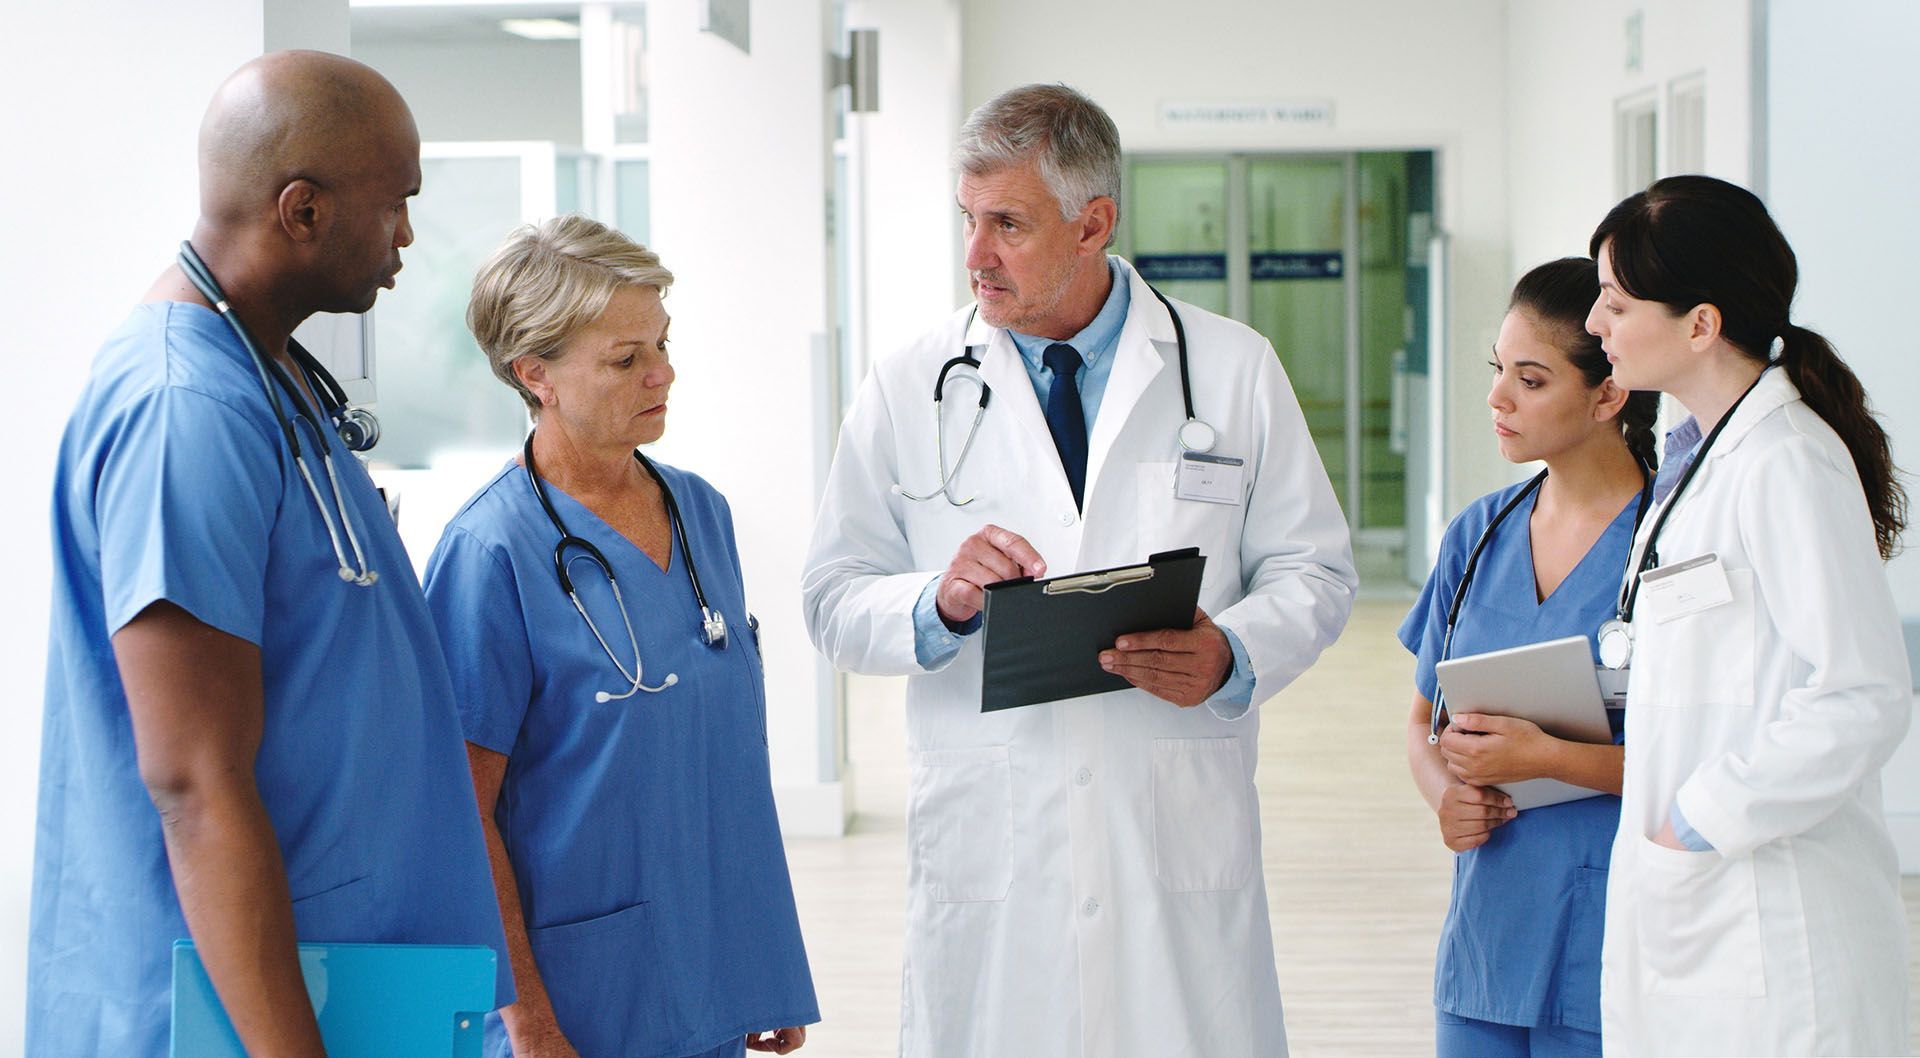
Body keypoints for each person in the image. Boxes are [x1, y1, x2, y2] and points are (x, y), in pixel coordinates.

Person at [801, 83, 1356, 1058]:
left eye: (1007, 223)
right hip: (995, 841)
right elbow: (833, 595)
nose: (975, 254)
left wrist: (1232, 652)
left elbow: (1315, 568)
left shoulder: (1230, 369)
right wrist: (937, 601)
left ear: (1093, 221)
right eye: (967, 220)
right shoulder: (908, 382)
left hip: (1170, 834)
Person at [28, 51, 509, 1056]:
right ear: (302, 210)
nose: (409, 235)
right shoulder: (183, 411)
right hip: (231, 1020)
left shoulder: (264, 373)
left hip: (353, 982)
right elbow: (192, 781)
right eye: (396, 204)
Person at [424, 215, 818, 1058]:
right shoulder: (489, 552)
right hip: (578, 1000)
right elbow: (459, 815)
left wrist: (756, 955)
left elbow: (723, 759)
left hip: (703, 979)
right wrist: (523, 1019)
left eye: (663, 344)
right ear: (537, 375)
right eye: (626, 358)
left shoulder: (700, 512)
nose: (664, 374)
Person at [1584, 175, 1911, 1056]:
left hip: (1770, 908)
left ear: (1700, 323)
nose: (1593, 326)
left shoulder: (1785, 462)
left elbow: (1864, 692)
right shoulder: (1698, 458)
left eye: (1615, 304)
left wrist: (1699, 818)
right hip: (1705, 906)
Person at [1399, 258, 1657, 1058]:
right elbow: (1421, 719)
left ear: (1608, 394)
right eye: (1498, 371)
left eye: (1532, 380)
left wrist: (1549, 758)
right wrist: (1445, 793)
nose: (1497, 399)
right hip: (1489, 934)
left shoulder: (1672, 549)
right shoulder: (1478, 534)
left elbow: (1700, 760)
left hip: (1615, 933)